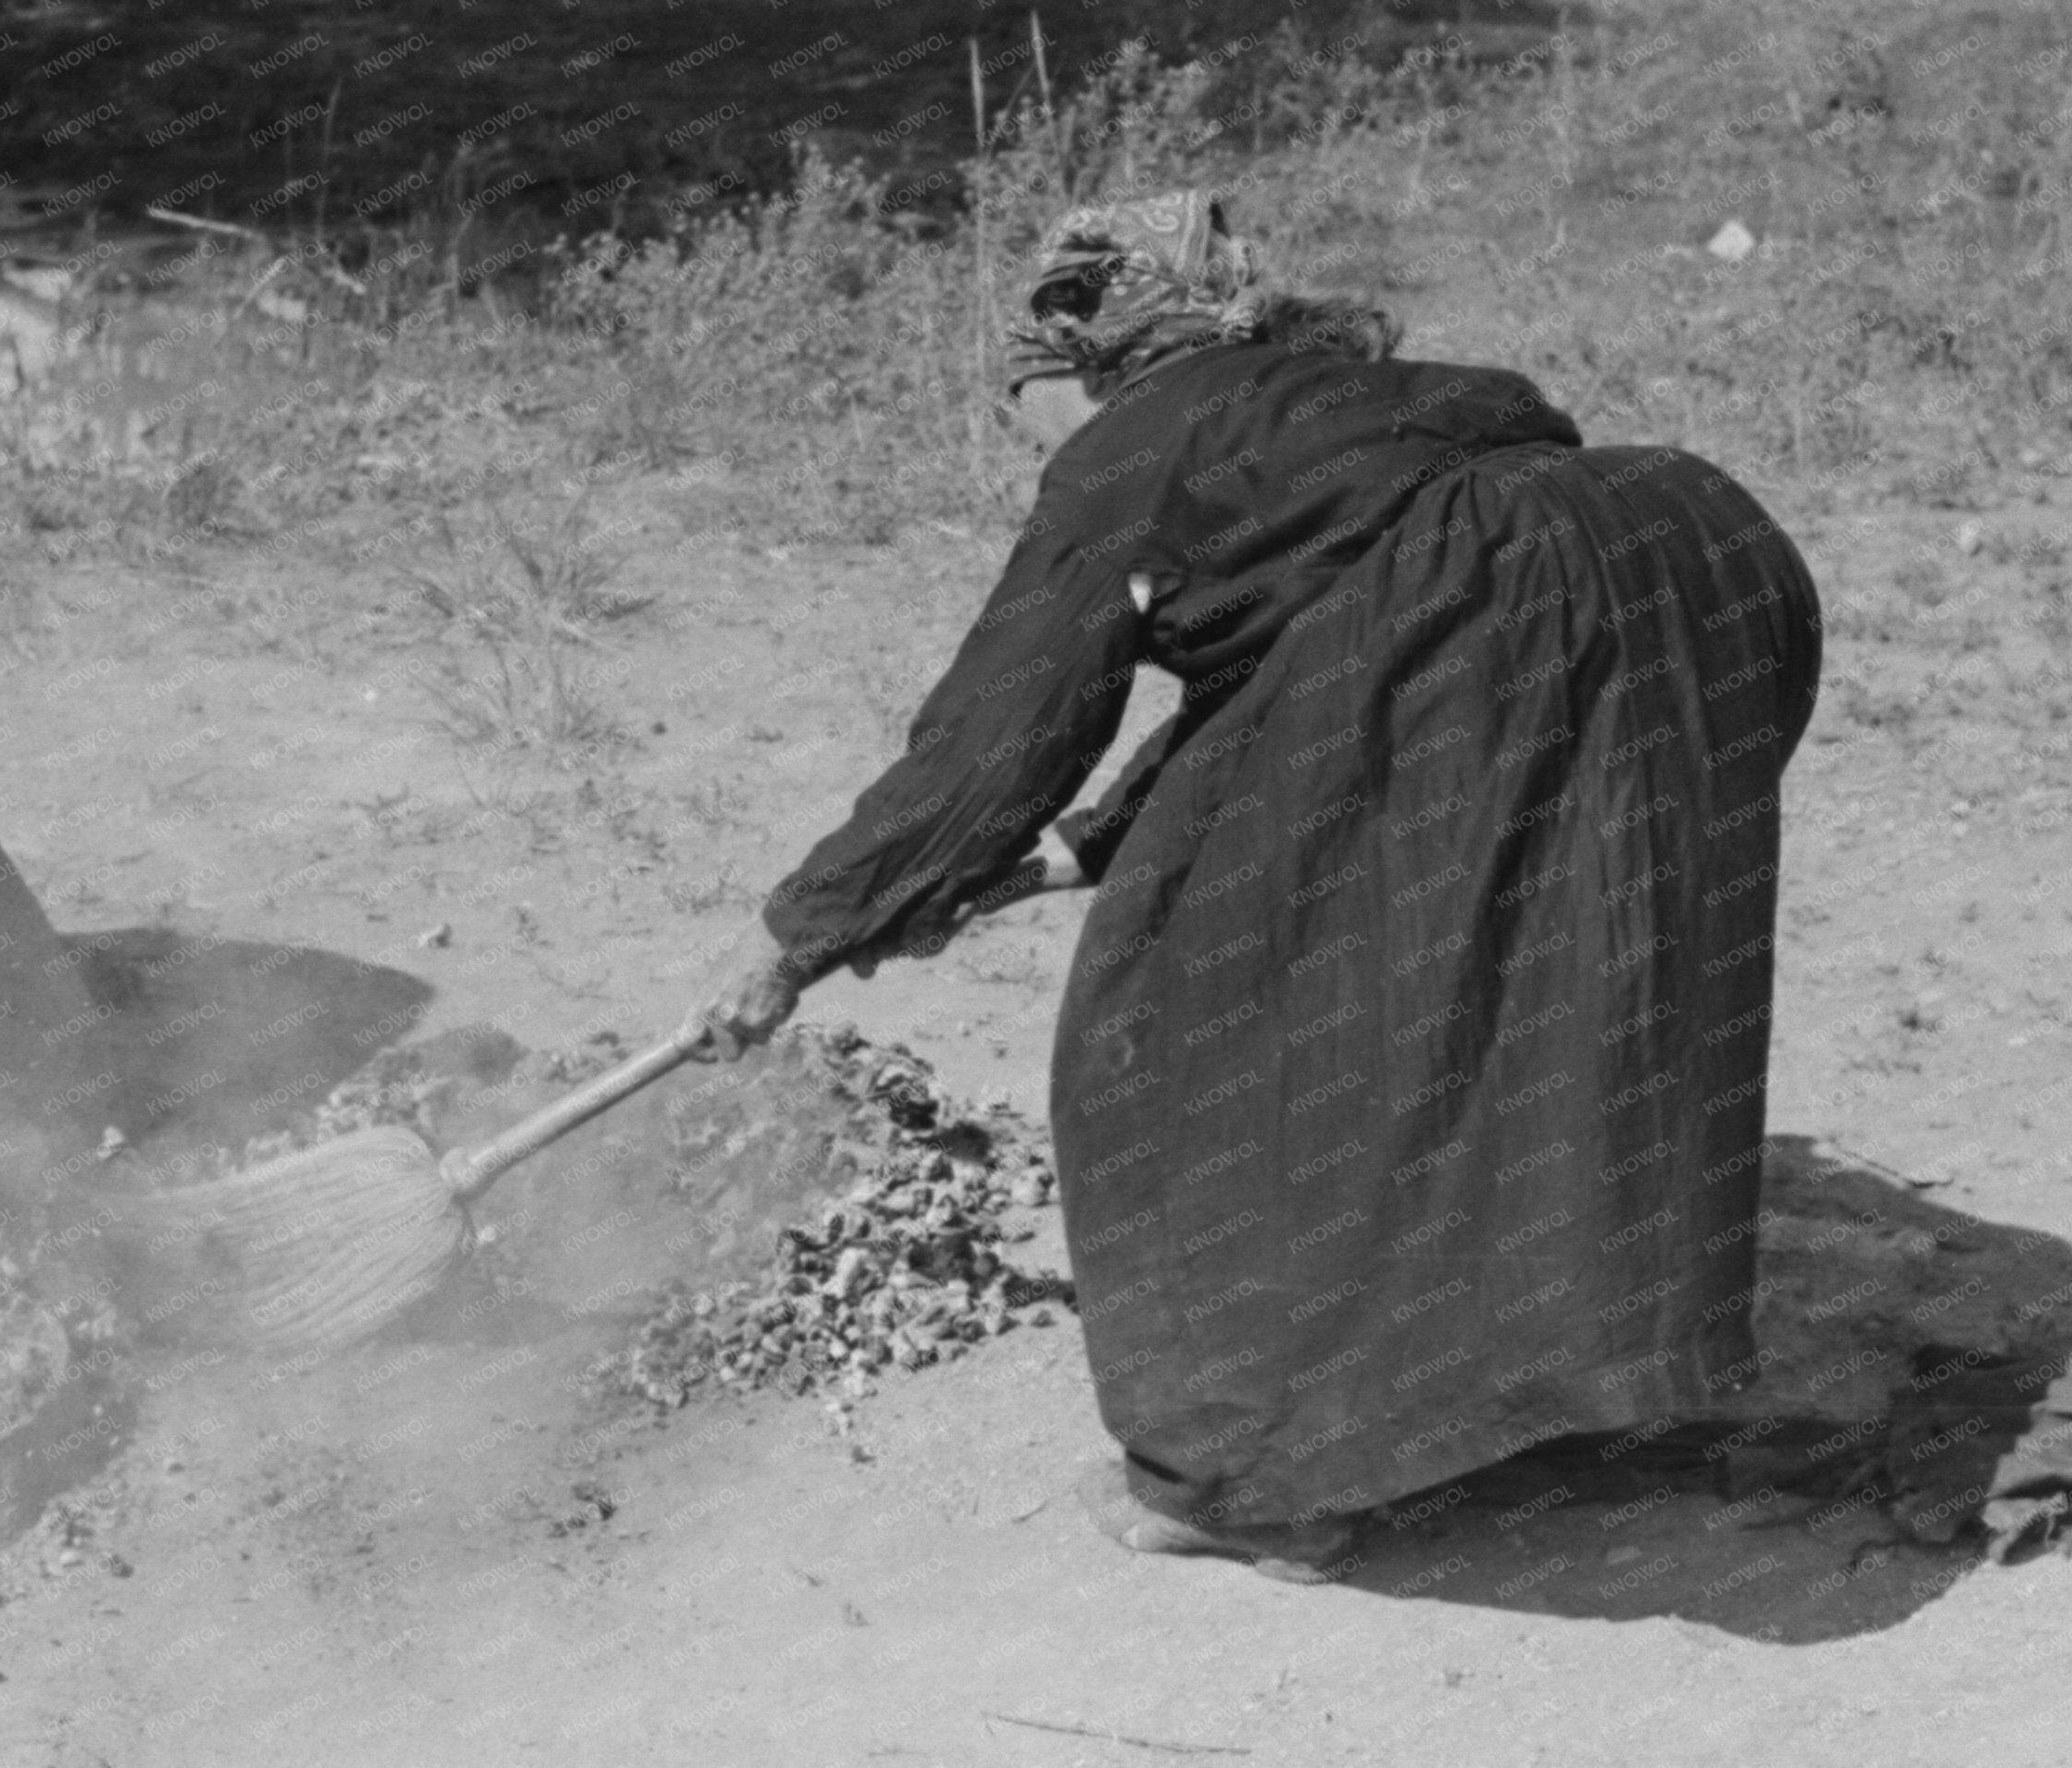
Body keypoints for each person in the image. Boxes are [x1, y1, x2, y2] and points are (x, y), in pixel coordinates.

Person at [683, 190, 1821, 1582]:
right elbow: (1301, 669)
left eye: (1022, 404)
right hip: (1692, 568)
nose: (1026, 440)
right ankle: (1567, 1392)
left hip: (1510, 633)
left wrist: (799, 934)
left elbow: (1003, 723)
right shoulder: (1317, 406)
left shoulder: (1133, 446)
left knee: (1189, 1019)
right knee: (1556, 986)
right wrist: (1080, 849)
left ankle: (1246, 1477)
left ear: (1088, 363)